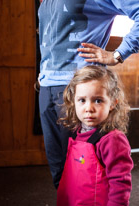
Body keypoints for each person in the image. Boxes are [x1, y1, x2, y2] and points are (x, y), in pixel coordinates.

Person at [38, 0, 139, 189]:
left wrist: (117, 54)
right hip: (47, 87)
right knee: (59, 173)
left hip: (79, 87)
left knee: (83, 174)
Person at [57, 65, 133, 206]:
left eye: (98, 100)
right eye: (82, 100)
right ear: (73, 102)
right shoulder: (75, 132)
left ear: (112, 103)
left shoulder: (112, 139)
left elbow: (120, 183)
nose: (89, 108)